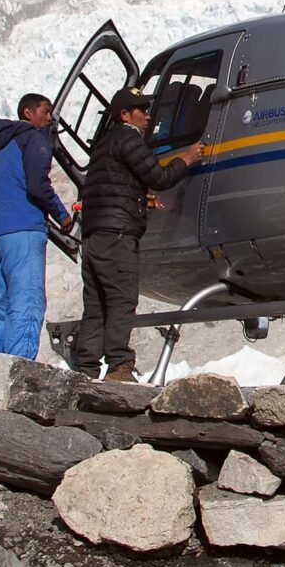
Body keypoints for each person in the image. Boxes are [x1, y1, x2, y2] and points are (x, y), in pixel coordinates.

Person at [68, 88, 192, 381]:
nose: (148, 116)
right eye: (141, 110)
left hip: (94, 234)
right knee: (121, 298)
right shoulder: (129, 138)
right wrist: (185, 159)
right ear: (125, 115)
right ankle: (119, 364)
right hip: (117, 235)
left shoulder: (104, 143)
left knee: (96, 303)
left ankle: (86, 368)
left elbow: (115, 183)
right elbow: (158, 176)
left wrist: (138, 198)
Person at [0, 91, 74, 358]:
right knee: (27, 299)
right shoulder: (32, 138)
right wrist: (62, 215)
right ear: (28, 113)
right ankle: (19, 366)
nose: (50, 118)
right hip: (24, 229)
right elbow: (37, 184)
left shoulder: (2, 145)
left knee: (1, 300)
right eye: (45, 111)